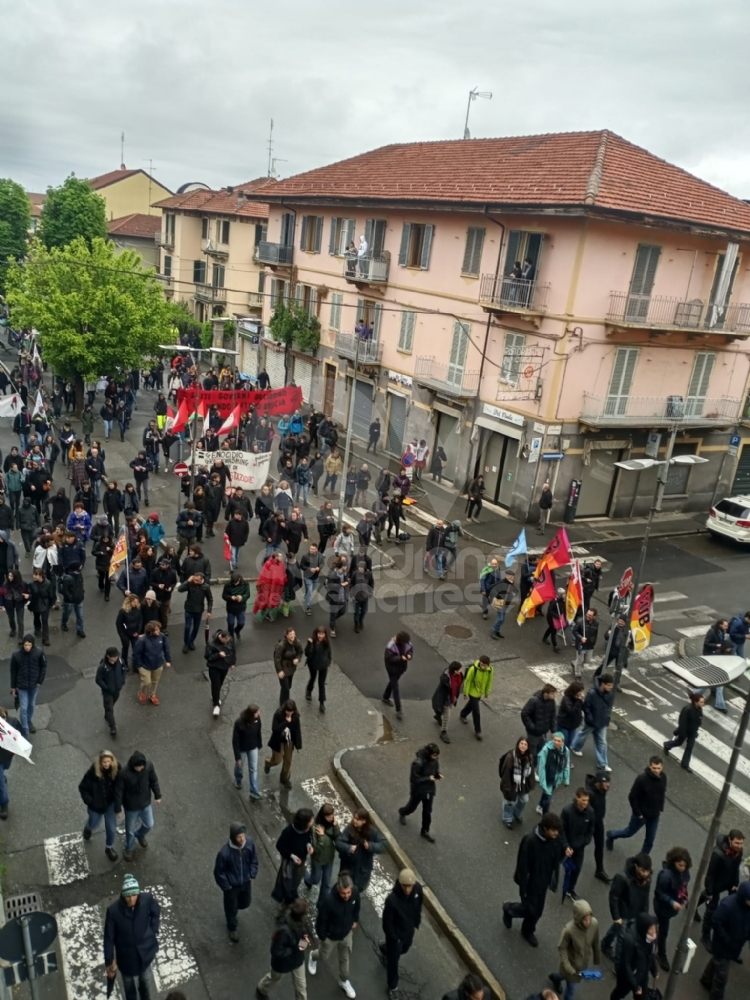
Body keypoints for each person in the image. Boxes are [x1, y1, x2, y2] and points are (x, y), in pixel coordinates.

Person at [502, 811, 568, 947]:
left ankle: (527, 930)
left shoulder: (554, 841)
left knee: (537, 910)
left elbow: (556, 859)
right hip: (531, 883)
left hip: (543, 882)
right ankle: (509, 909)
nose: (557, 834)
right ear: (545, 828)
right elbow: (523, 867)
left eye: (558, 831)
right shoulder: (531, 841)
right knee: (529, 909)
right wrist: (523, 888)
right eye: (554, 831)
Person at [104, 875, 161, 1000]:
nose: (131, 899)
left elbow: (155, 911)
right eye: (128, 896)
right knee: (129, 987)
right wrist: (109, 960)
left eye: (134, 895)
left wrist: (153, 929)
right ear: (123, 895)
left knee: (145, 982)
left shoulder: (147, 899)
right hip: (126, 958)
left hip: (145, 954)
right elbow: (108, 937)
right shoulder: (113, 912)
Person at [307, 872, 360, 999]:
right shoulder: (329, 901)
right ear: (338, 889)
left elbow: (357, 907)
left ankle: (344, 980)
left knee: (345, 958)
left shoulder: (355, 892)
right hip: (331, 937)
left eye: (349, 893)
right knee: (323, 955)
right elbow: (321, 921)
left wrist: (355, 920)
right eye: (343, 893)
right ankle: (313, 957)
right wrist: (323, 937)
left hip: (346, 934)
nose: (347, 896)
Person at [699, 881, 750, 1000]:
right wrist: (726, 939)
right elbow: (716, 921)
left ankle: (706, 979)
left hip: (733, 945)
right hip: (723, 944)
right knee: (721, 977)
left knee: (716, 960)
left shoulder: (746, 906)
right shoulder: (728, 905)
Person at [606, 756, 666, 856]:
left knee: (650, 841)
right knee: (629, 832)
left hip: (654, 816)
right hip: (642, 815)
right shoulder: (642, 779)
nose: (656, 770)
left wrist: (660, 808)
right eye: (654, 768)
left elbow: (662, 793)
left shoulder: (663, 777)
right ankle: (611, 835)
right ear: (649, 767)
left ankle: (642, 861)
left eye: (658, 768)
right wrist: (638, 814)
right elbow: (632, 797)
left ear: (662, 767)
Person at [698, 828, 745, 952]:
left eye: (741, 843)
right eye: (737, 843)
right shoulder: (718, 853)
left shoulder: (739, 852)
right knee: (711, 911)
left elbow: (736, 868)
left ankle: (692, 905)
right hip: (716, 884)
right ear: (730, 840)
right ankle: (705, 935)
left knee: (735, 907)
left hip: (729, 882)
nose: (739, 846)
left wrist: (735, 883)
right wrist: (709, 891)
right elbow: (710, 875)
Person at [600, 853, 653, 962]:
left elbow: (645, 898)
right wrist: (616, 916)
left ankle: (605, 943)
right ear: (636, 866)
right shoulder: (622, 878)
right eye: (643, 870)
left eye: (647, 871)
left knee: (616, 929)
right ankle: (618, 964)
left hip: (636, 913)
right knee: (622, 939)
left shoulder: (647, 879)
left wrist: (645, 915)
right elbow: (614, 896)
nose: (645, 874)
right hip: (623, 913)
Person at [256, 898, 311, 1000]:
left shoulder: (301, 923)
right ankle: (261, 988)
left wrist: (303, 944)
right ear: (301, 915)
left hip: (298, 960)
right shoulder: (284, 931)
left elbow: (304, 936)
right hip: (283, 963)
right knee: (274, 977)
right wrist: (295, 949)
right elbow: (276, 951)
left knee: (301, 987)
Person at [380, 869, 423, 1000]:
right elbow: (387, 922)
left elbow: (419, 906)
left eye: (410, 886)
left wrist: (416, 922)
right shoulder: (392, 900)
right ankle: (393, 986)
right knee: (393, 962)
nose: (407, 889)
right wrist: (394, 938)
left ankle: (384, 948)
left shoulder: (418, 890)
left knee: (404, 949)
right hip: (396, 936)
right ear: (400, 884)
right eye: (405, 886)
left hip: (408, 931)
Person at [214, 821, 259, 943]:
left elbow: (254, 860)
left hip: (245, 882)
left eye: (243, 836)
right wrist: (227, 886)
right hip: (232, 886)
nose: (242, 839)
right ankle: (232, 927)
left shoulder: (249, 844)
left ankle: (233, 910)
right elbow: (219, 872)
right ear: (233, 837)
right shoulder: (225, 853)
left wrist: (252, 874)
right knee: (231, 908)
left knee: (245, 902)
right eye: (239, 837)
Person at [114, 751, 162, 863]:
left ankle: (140, 835)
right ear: (133, 765)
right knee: (129, 830)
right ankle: (129, 848)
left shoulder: (148, 766)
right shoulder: (124, 773)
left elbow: (154, 781)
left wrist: (157, 795)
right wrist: (118, 808)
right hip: (131, 807)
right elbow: (119, 792)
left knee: (149, 824)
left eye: (142, 767)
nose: (140, 769)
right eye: (138, 767)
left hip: (145, 803)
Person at [549, 899, 601, 1000]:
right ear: (578, 918)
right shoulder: (569, 930)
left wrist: (596, 958)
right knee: (571, 991)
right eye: (585, 919)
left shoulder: (594, 924)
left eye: (589, 918)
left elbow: (596, 941)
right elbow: (562, 948)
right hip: (572, 967)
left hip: (583, 964)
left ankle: (556, 977)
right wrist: (568, 968)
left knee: (562, 975)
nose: (588, 922)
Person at [653, 846, 691, 971]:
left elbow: (683, 886)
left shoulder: (683, 873)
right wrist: (671, 902)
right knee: (663, 932)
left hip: (671, 908)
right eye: (680, 865)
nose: (683, 868)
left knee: (660, 928)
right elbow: (659, 893)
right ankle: (661, 954)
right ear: (673, 862)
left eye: (685, 866)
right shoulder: (665, 876)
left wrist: (684, 897)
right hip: (663, 908)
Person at [79, 750, 120, 862]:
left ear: (112, 761)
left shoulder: (117, 770)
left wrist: (118, 804)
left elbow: (121, 787)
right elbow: (83, 788)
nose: (106, 764)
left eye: (108, 761)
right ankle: (88, 828)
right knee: (94, 823)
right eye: (104, 762)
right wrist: (91, 801)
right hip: (96, 807)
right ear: (100, 762)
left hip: (110, 805)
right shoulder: (92, 773)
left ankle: (109, 848)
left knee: (111, 828)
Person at [398, 742, 443, 843]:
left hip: (429, 790)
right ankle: (403, 812)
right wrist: (428, 778)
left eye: (437, 756)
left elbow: (434, 770)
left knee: (427, 812)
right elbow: (414, 779)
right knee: (412, 807)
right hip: (418, 791)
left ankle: (425, 831)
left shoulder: (434, 761)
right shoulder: (418, 763)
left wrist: (437, 775)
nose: (436, 758)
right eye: (434, 755)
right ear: (428, 754)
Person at [335, 809, 386, 893]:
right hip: (348, 868)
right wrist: (348, 848)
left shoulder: (372, 832)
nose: (354, 820)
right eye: (354, 818)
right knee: (344, 890)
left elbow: (383, 844)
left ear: (364, 821)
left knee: (357, 890)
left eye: (358, 819)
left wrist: (370, 846)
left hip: (363, 869)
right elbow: (339, 843)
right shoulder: (349, 829)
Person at [571, 674, 614, 771]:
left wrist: (606, 719)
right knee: (583, 735)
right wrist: (590, 719)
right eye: (609, 685)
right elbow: (586, 707)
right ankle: (575, 747)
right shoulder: (592, 693)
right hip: (593, 721)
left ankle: (602, 764)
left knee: (602, 742)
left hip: (601, 721)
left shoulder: (608, 694)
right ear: (603, 684)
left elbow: (608, 708)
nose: (611, 688)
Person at [611, 913, 658, 1000]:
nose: (654, 932)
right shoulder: (629, 940)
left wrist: (654, 969)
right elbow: (626, 964)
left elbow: (651, 954)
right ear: (644, 929)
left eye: (655, 928)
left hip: (642, 973)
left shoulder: (651, 937)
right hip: (629, 977)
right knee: (620, 993)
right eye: (651, 929)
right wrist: (635, 986)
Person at [274, 808, 314, 905]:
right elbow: (279, 846)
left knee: (297, 879)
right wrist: (291, 856)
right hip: (289, 863)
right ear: (304, 823)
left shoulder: (308, 829)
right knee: (286, 880)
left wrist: (308, 845)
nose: (313, 822)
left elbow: (308, 837)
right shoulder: (288, 832)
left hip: (301, 861)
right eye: (311, 820)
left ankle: (292, 892)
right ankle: (286, 898)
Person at [561, 789, 596, 899]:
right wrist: (566, 845)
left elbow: (591, 828)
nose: (585, 803)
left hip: (579, 846)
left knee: (577, 869)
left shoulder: (590, 812)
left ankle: (570, 890)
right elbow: (561, 830)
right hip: (566, 844)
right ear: (577, 798)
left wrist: (586, 840)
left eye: (587, 800)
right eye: (583, 800)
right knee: (555, 863)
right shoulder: (567, 811)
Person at [10, 633, 47, 737]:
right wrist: (13, 687)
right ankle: (25, 731)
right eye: (25, 645)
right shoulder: (16, 655)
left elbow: (43, 666)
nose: (27, 647)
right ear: (22, 645)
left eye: (29, 645)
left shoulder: (39, 652)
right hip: (22, 687)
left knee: (31, 705)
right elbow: (13, 671)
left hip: (34, 685)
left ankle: (28, 722)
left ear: (33, 645)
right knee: (23, 708)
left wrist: (40, 681)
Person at [305, 803, 340, 899]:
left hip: (329, 858)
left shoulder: (333, 824)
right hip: (318, 859)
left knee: (326, 883)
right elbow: (316, 847)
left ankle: (321, 905)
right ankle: (306, 878)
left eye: (332, 815)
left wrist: (336, 826)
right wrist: (322, 836)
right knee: (315, 879)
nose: (331, 818)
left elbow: (338, 840)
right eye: (328, 816)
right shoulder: (316, 827)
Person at [662, 691, 704, 773]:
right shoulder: (687, 709)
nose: (703, 704)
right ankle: (667, 745)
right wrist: (681, 732)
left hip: (692, 732)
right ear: (696, 702)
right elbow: (682, 722)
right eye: (701, 702)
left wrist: (696, 730)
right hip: (684, 731)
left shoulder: (699, 709)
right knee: (679, 742)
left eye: (703, 702)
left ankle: (685, 764)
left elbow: (698, 720)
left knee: (689, 747)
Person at [132, 621, 171, 707]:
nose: (158, 631)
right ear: (151, 631)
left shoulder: (162, 637)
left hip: (158, 664)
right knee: (146, 682)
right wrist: (139, 665)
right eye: (156, 630)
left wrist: (168, 660)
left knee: (155, 681)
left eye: (158, 629)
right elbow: (136, 654)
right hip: (145, 666)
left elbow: (166, 648)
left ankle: (152, 694)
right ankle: (142, 693)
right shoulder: (142, 641)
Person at [499, 736, 536, 829]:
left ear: (528, 747)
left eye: (525, 744)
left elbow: (531, 771)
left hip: (522, 784)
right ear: (518, 744)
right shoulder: (511, 757)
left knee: (524, 800)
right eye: (521, 743)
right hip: (511, 784)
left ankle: (516, 813)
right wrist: (507, 788)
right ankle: (507, 818)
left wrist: (531, 783)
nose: (523, 746)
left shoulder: (529, 757)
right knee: (509, 802)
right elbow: (506, 773)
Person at [265, 700, 301, 789]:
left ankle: (285, 779)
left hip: (289, 740)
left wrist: (298, 744)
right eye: (287, 711)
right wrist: (286, 721)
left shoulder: (295, 716)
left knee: (288, 760)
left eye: (291, 711)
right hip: (279, 740)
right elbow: (275, 729)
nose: (289, 713)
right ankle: (268, 763)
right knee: (277, 760)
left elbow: (297, 730)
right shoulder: (278, 714)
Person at [586, 771, 613, 884]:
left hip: (598, 823)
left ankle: (599, 870)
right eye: (605, 782)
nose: (608, 785)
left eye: (608, 782)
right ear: (598, 783)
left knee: (599, 846)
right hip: (588, 824)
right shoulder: (590, 794)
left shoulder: (602, 790)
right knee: (576, 846)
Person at [177, 572, 213, 653]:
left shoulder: (206, 587)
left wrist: (209, 611)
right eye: (194, 580)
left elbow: (210, 599)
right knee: (187, 627)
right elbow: (180, 589)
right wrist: (188, 581)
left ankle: (191, 641)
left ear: (201, 579)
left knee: (196, 628)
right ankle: (186, 643)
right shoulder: (190, 583)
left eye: (197, 580)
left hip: (198, 610)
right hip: (189, 609)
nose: (195, 582)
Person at [459, 655, 493, 739]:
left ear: (488, 665)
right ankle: (478, 731)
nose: (482, 666)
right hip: (472, 692)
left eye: (484, 665)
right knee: (476, 711)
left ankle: (463, 714)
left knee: (472, 705)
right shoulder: (473, 669)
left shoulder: (490, 670)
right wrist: (466, 693)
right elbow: (468, 681)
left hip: (479, 693)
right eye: (481, 664)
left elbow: (489, 681)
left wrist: (487, 692)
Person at [522, 683, 558, 762]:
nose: (554, 696)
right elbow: (524, 713)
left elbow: (553, 717)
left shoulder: (552, 702)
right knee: (532, 754)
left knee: (541, 752)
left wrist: (553, 731)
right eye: (552, 694)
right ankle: (530, 769)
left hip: (543, 733)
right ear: (546, 694)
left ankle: (533, 767)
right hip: (533, 734)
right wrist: (532, 727)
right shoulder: (534, 701)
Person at [233, 704, 262, 801]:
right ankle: (238, 779)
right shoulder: (239, 723)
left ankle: (254, 792)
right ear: (251, 714)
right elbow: (235, 741)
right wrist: (237, 757)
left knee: (253, 769)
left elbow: (258, 732)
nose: (259, 714)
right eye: (257, 713)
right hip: (242, 749)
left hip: (253, 747)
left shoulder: (257, 720)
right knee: (239, 766)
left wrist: (259, 744)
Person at [96, 647, 127, 738]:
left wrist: (122, 680)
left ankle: (107, 715)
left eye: (117, 655)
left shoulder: (120, 661)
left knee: (111, 704)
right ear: (109, 656)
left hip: (117, 689)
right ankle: (112, 726)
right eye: (114, 656)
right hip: (108, 692)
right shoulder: (103, 667)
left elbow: (124, 669)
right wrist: (106, 687)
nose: (116, 657)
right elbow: (98, 680)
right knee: (109, 707)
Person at [537, 733, 571, 815]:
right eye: (554, 740)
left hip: (557, 779)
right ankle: (545, 817)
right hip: (548, 777)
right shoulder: (546, 750)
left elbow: (566, 765)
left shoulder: (566, 751)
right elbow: (541, 767)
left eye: (558, 741)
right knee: (548, 798)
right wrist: (542, 782)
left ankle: (540, 805)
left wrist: (566, 779)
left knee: (547, 792)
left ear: (562, 742)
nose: (556, 742)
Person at [382, 631, 413, 720]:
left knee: (392, 683)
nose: (406, 644)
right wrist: (400, 658)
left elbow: (410, 650)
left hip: (401, 668)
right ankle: (399, 710)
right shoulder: (391, 646)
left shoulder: (408, 644)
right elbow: (389, 659)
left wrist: (409, 655)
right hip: (392, 669)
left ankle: (385, 697)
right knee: (395, 688)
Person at [205, 628, 235, 717]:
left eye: (228, 640)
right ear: (221, 637)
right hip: (214, 667)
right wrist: (218, 655)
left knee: (220, 683)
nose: (227, 642)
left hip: (224, 667)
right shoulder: (211, 644)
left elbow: (233, 651)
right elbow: (207, 657)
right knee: (216, 685)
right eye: (225, 640)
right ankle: (216, 705)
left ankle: (215, 696)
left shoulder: (229, 640)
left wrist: (232, 662)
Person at [431, 661, 463, 744]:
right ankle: (443, 732)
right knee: (447, 716)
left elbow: (457, 687)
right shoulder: (445, 679)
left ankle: (438, 716)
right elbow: (441, 693)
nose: (461, 671)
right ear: (455, 671)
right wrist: (439, 703)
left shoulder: (459, 676)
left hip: (452, 698)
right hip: (446, 700)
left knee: (444, 712)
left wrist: (455, 697)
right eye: (459, 669)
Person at [702, 619, 729, 711]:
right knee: (717, 680)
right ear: (720, 625)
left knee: (712, 679)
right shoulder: (712, 632)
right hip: (710, 656)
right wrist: (717, 645)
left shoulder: (722, 631)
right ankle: (719, 704)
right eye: (725, 626)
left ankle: (700, 692)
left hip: (717, 655)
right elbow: (706, 644)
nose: (726, 627)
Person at [253, 552, 287, 622]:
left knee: (273, 600)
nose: (282, 558)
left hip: (276, 587)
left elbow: (282, 574)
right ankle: (266, 612)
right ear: (276, 557)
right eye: (280, 556)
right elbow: (264, 575)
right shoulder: (268, 564)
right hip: (268, 587)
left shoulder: (281, 564)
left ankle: (267, 612)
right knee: (267, 599)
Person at [274, 627, 304, 704]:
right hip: (283, 669)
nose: (292, 636)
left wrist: (298, 659)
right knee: (286, 688)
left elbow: (300, 652)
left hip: (291, 668)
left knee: (288, 686)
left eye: (293, 634)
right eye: (290, 634)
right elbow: (277, 659)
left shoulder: (296, 642)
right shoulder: (281, 646)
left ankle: (285, 699)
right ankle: (283, 704)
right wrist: (279, 670)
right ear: (286, 635)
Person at [305, 626, 331, 711]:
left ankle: (322, 703)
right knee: (313, 678)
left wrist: (328, 661)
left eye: (322, 634)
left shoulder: (326, 642)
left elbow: (329, 652)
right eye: (319, 634)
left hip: (323, 665)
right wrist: (309, 644)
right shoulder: (312, 641)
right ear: (316, 634)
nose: (321, 636)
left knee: (321, 683)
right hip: (313, 663)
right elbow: (307, 653)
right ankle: (309, 690)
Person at [223, 571, 251, 639]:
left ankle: (237, 630)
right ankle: (231, 638)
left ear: (239, 579)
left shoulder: (245, 584)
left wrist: (242, 597)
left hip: (241, 607)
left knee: (241, 623)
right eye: (233, 583)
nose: (235, 584)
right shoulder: (227, 585)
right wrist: (230, 597)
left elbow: (248, 594)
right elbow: (224, 596)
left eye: (236, 583)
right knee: (230, 624)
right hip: (231, 608)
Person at [571, 609, 599, 677]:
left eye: (590, 615)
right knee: (580, 661)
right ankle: (577, 674)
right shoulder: (580, 621)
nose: (588, 616)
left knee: (587, 660)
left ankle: (574, 663)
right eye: (587, 614)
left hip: (590, 645)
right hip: (581, 644)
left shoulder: (596, 623)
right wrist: (581, 638)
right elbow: (574, 631)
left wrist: (594, 642)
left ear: (594, 616)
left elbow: (595, 633)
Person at [557, 682, 585, 748]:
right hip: (564, 724)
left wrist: (580, 700)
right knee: (564, 742)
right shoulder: (566, 699)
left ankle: (565, 756)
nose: (581, 693)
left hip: (573, 725)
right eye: (580, 691)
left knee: (569, 743)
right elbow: (572, 712)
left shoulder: (577, 698)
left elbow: (582, 708)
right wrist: (579, 700)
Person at [300, 543, 324, 615]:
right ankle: (309, 608)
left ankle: (305, 595)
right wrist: (309, 569)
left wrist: (319, 568)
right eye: (310, 548)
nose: (311, 550)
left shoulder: (320, 556)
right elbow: (301, 565)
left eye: (313, 549)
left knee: (312, 590)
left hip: (316, 577)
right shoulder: (305, 556)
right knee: (310, 592)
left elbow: (322, 563)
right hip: (308, 577)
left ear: (316, 549)